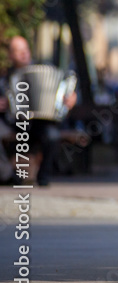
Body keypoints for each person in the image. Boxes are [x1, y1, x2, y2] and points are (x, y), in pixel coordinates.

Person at [0, 37, 67, 186]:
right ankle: (7, 175)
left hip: (36, 123)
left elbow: (61, 93)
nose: (24, 54)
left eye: (25, 50)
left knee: (53, 135)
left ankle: (44, 176)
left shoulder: (43, 70)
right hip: (13, 123)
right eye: (18, 51)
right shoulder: (5, 78)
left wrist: (67, 99)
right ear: (11, 55)